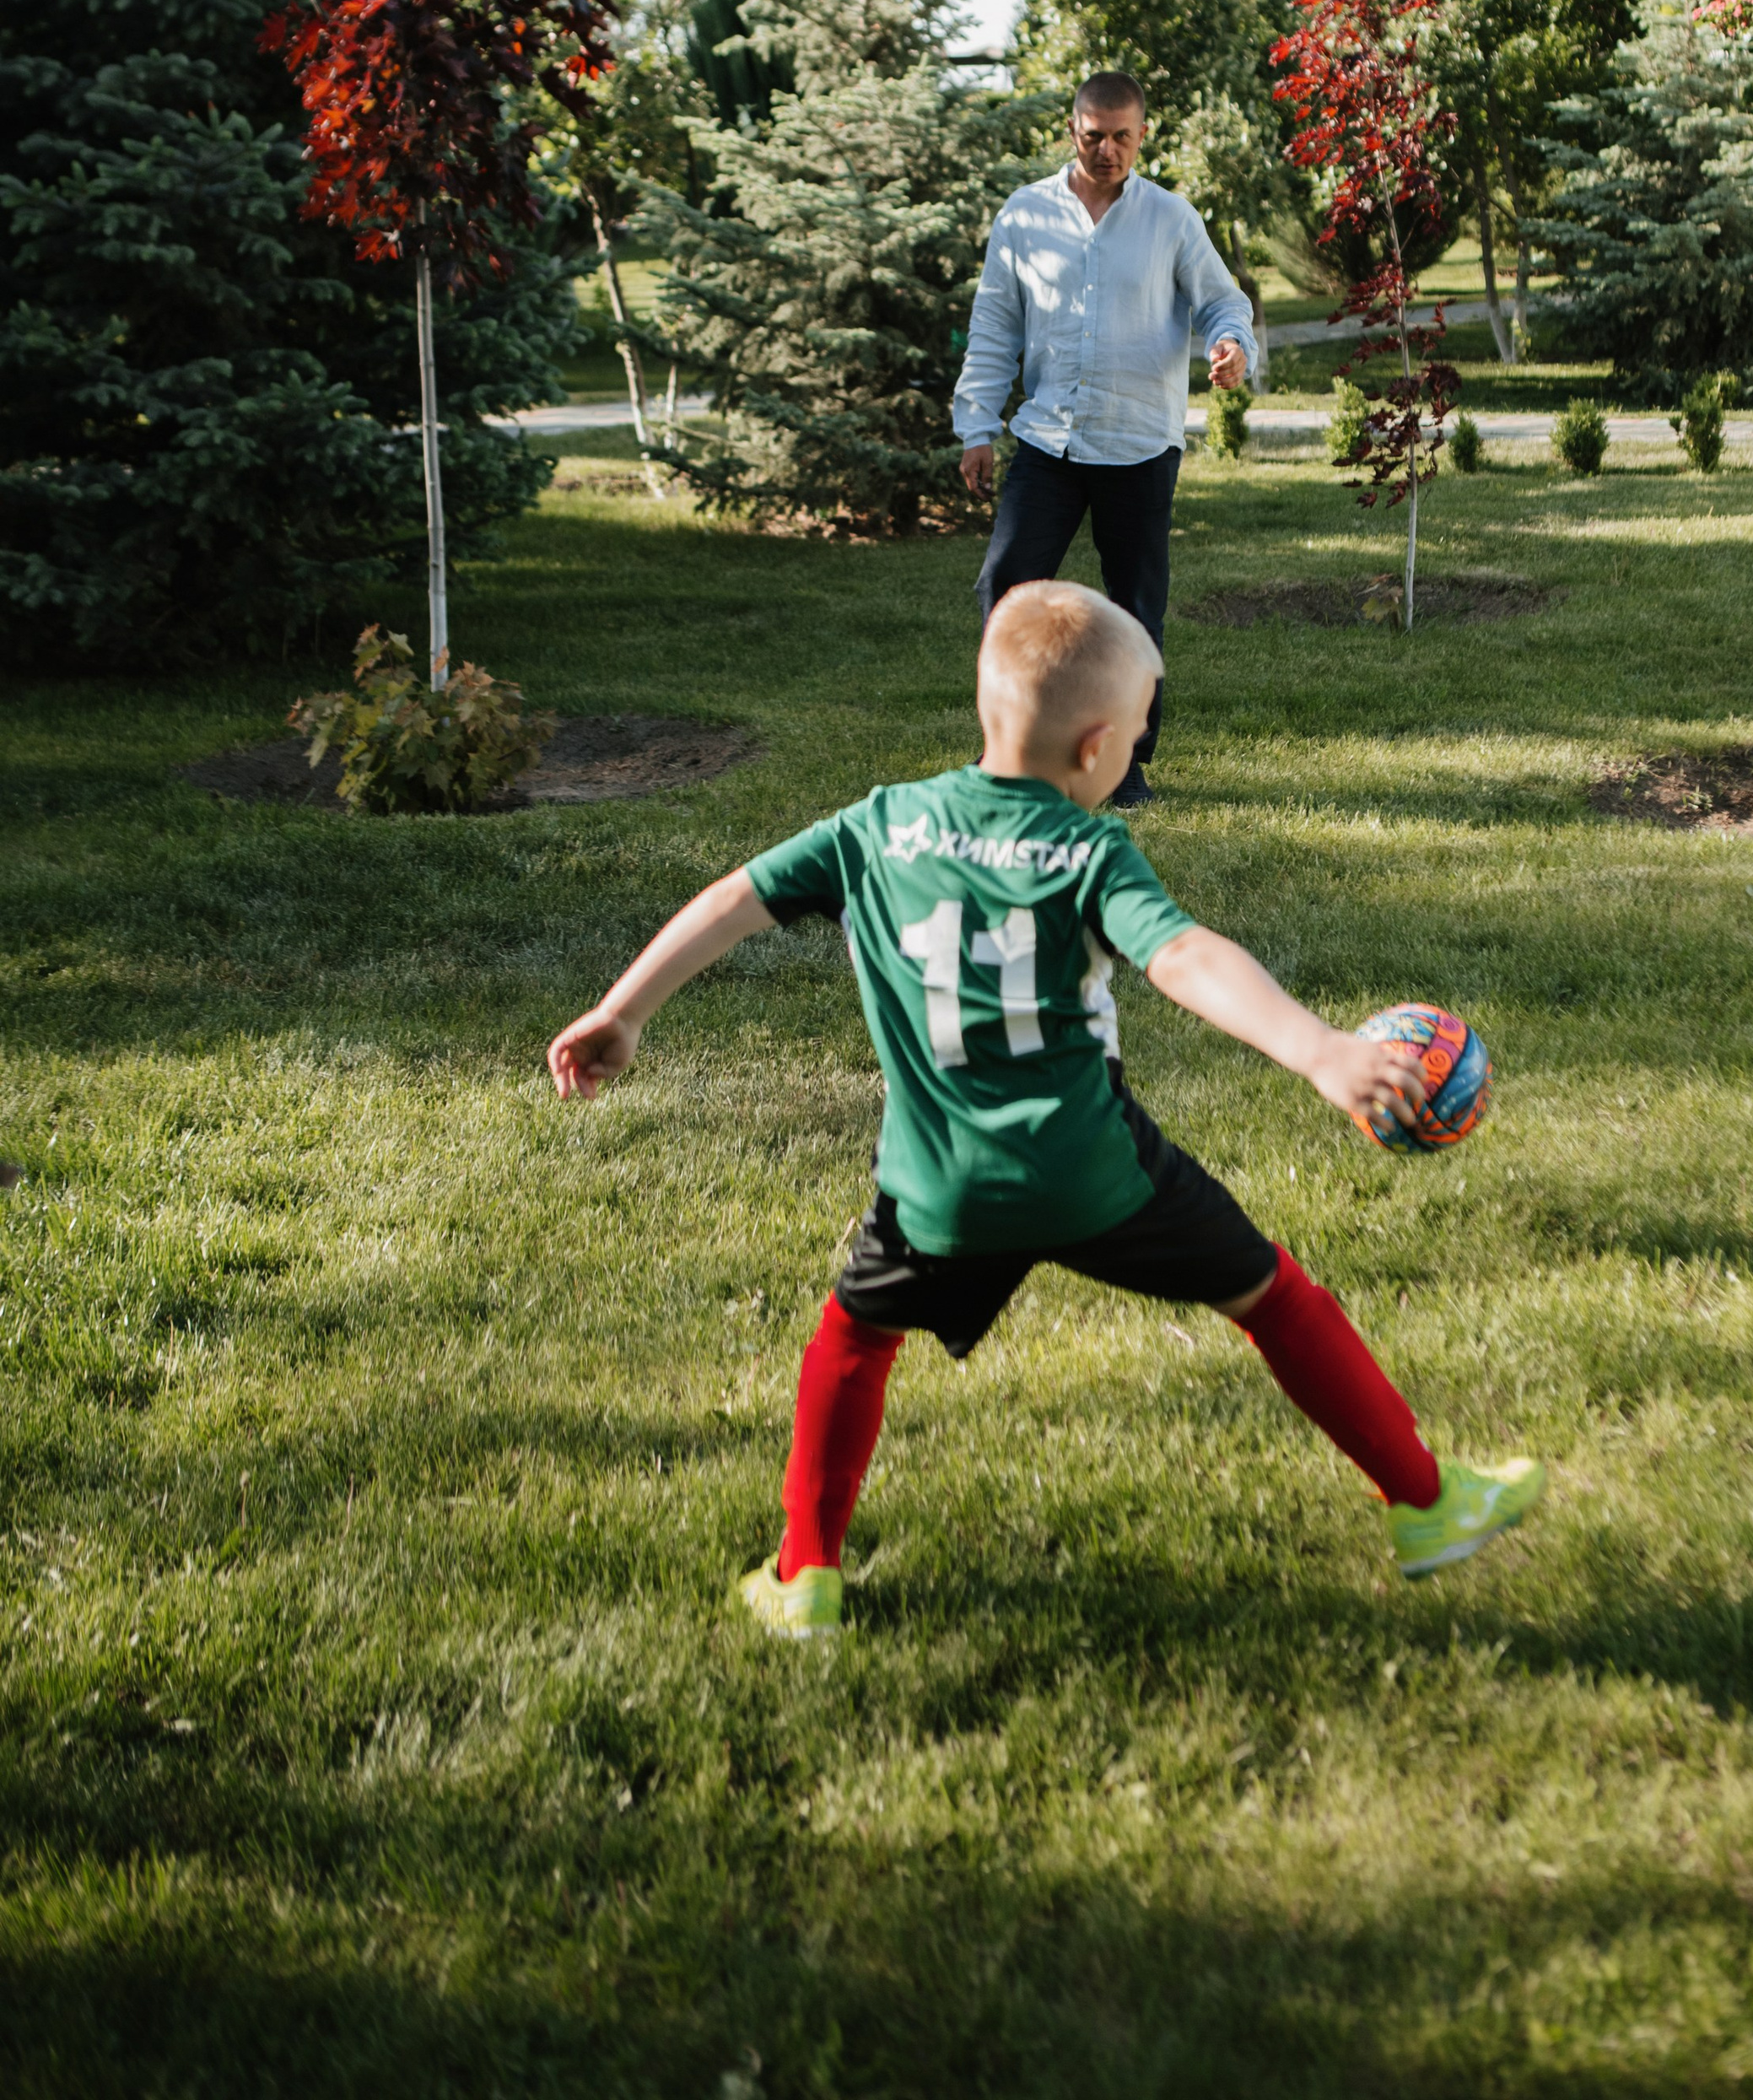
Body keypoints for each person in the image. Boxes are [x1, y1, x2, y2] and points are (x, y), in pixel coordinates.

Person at [546, 579, 1545, 1641]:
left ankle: (804, 1576)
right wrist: (1317, 1050)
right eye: (1138, 734)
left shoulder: (878, 826)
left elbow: (732, 900)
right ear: (1097, 747)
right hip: (1096, 1174)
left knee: (854, 1339)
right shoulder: (1090, 850)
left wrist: (623, 1010)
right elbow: (1183, 957)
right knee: (1274, 1299)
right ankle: (1426, 1506)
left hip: (939, 1188)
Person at [954, 68, 1253, 807]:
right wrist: (976, 427)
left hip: (1139, 443)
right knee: (1005, 587)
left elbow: (1222, 303)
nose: (1108, 150)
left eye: (1122, 137)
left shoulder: (1171, 219)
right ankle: (1013, 746)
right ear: (1073, 130)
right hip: (1048, 442)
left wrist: (1231, 346)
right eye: (1094, 136)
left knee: (1137, 607)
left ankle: (1124, 763)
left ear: (1142, 135)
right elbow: (993, 326)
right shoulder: (1025, 216)